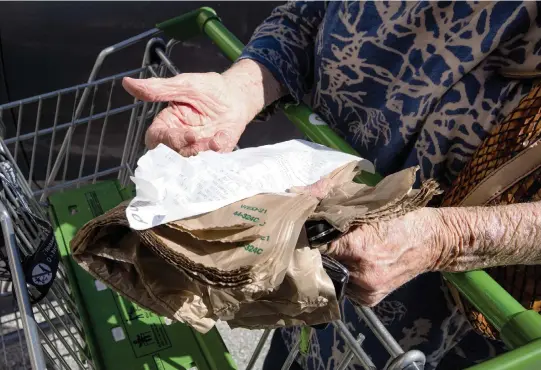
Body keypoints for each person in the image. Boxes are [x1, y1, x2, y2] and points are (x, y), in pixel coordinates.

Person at [122, 2, 541, 369]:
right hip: (313, 253)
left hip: (436, 319)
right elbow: (309, 15)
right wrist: (240, 89)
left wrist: (445, 238)